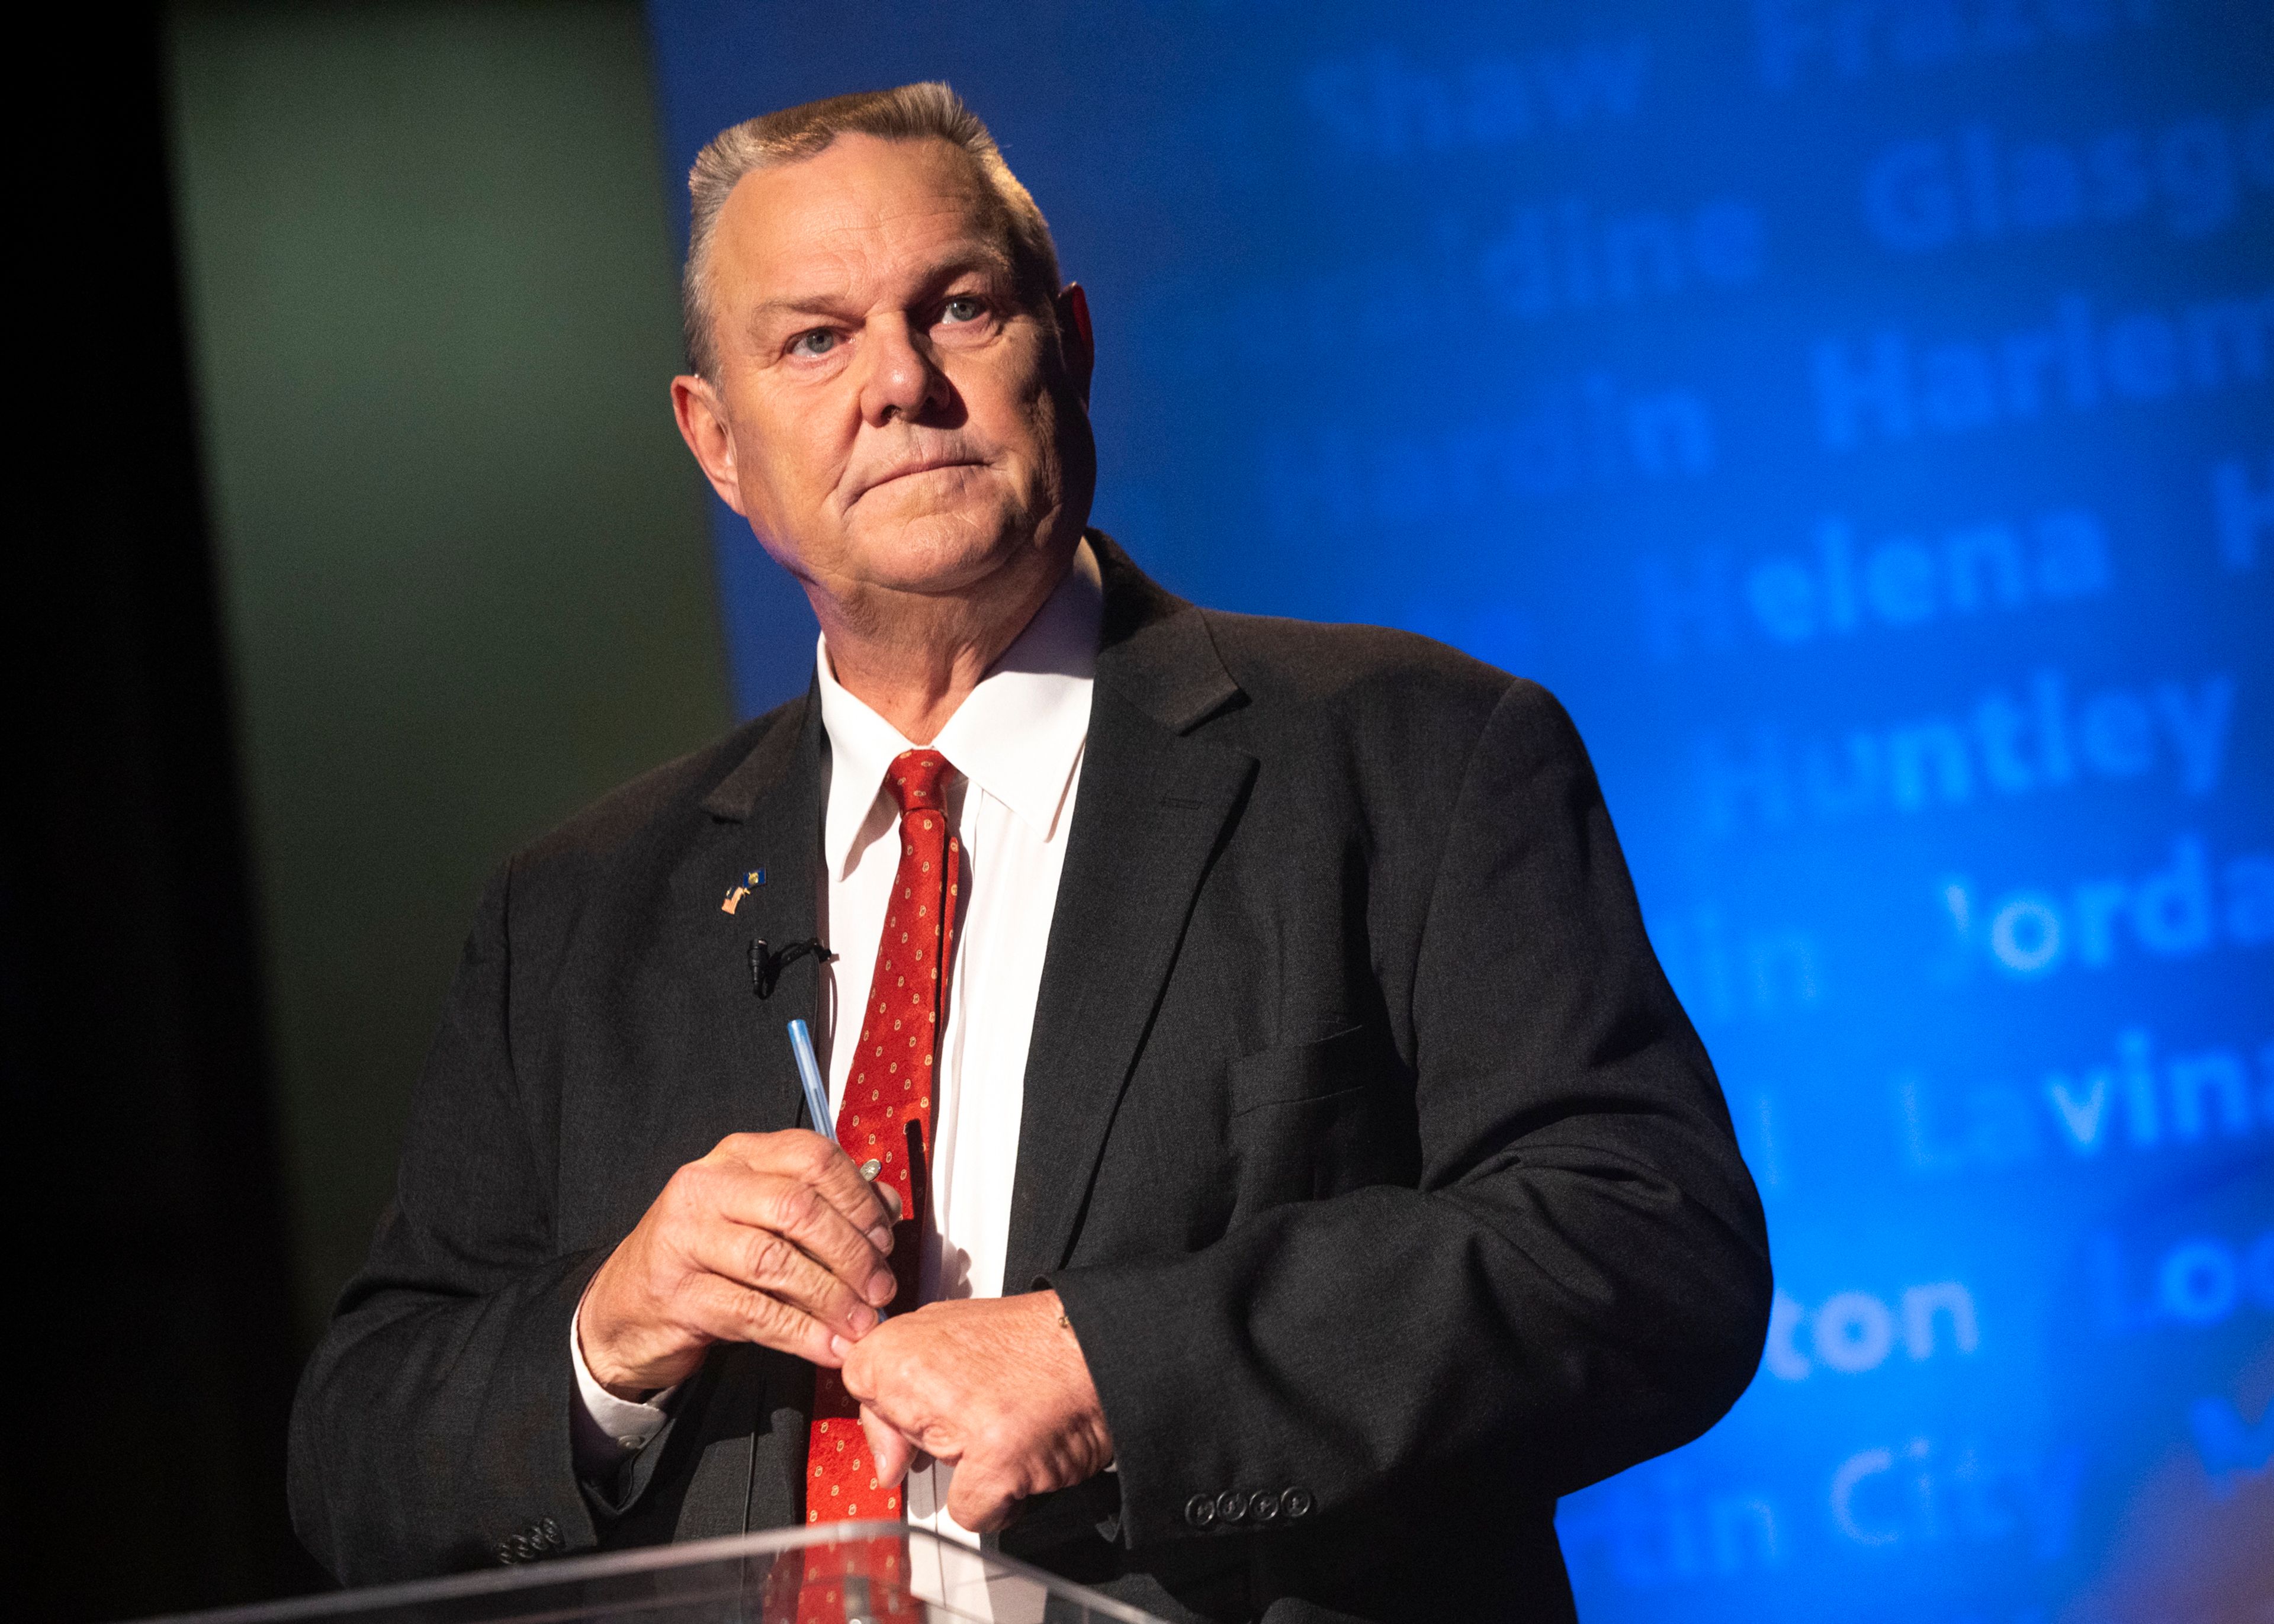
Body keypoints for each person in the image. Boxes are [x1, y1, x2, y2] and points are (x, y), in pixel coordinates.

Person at [288, 82, 1771, 1623]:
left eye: (959, 309)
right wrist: (609, 1333)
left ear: (1067, 341)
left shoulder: (1408, 756)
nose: (900, 385)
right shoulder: (578, 914)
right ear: (717, 444)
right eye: (815, 339)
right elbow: (354, 1459)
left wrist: (1114, 1370)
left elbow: (1642, 1253)